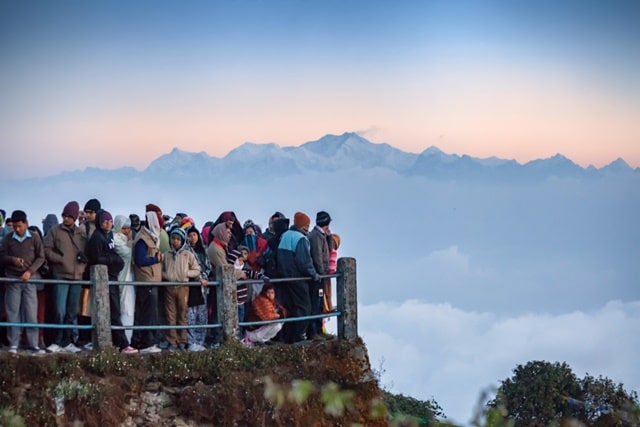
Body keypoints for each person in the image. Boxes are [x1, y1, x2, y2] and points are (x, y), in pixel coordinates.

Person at [86, 210, 138, 354]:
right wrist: (113, 260)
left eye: (110, 221)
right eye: (105, 221)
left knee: (114, 310)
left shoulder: (108, 236)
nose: (109, 224)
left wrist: (115, 260)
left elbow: (113, 255)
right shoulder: (97, 238)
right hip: (104, 278)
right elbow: (96, 258)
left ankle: (120, 343)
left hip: (112, 277)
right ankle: (122, 344)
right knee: (111, 311)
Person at [43, 201, 87, 353]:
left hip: (77, 276)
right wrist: (59, 259)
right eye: (64, 215)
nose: (66, 218)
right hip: (61, 275)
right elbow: (46, 249)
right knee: (59, 310)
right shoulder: (55, 231)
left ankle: (68, 342)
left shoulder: (81, 233)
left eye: (69, 216)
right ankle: (56, 341)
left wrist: (83, 265)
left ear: (74, 217)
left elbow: (87, 251)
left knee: (71, 312)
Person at [0, 210, 46, 354]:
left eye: (19, 226)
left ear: (26, 223)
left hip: (30, 279)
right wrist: (12, 260)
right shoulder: (8, 239)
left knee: (31, 313)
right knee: (13, 312)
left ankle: (33, 344)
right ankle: (14, 343)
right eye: (14, 226)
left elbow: (41, 257)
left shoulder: (34, 237)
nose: (17, 229)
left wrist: (30, 271)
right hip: (13, 279)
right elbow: (1, 255)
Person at [276, 212, 320, 344]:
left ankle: (288, 336)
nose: (308, 228)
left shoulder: (285, 235)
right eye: (307, 225)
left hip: (284, 277)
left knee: (290, 306)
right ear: (303, 226)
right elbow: (304, 262)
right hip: (298, 278)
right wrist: (314, 275)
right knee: (304, 306)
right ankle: (299, 336)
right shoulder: (300, 238)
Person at [162, 227, 201, 351]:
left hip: (183, 287)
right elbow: (161, 270)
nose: (175, 241)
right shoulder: (166, 255)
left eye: (178, 239)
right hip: (169, 287)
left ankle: (183, 340)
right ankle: (172, 340)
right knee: (170, 314)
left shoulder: (187, 254)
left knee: (182, 314)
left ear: (182, 240)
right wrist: (166, 275)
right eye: (173, 238)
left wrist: (186, 274)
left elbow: (197, 270)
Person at [130, 211, 163, 353]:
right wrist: (156, 259)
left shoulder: (152, 237)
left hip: (152, 279)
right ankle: (145, 343)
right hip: (146, 279)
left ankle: (150, 342)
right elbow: (140, 260)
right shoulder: (143, 239)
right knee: (147, 313)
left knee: (151, 313)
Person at [185, 225, 211, 352]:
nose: (192, 238)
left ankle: (200, 341)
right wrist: (198, 278)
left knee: (202, 315)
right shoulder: (186, 251)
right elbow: (187, 268)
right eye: (190, 235)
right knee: (191, 314)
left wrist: (205, 277)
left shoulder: (203, 251)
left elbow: (208, 266)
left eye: (194, 235)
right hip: (192, 286)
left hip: (204, 287)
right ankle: (191, 341)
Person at [307, 211, 333, 340]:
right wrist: (322, 273)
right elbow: (317, 256)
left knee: (319, 303)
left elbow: (330, 248)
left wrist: (329, 237)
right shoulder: (316, 236)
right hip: (318, 277)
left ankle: (319, 329)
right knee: (316, 303)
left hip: (320, 276)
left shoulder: (320, 235)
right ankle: (314, 331)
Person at [113, 215, 135, 342]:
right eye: (124, 228)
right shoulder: (116, 239)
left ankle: (128, 339)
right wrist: (131, 242)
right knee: (125, 308)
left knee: (128, 308)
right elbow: (127, 253)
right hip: (121, 277)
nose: (127, 231)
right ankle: (124, 340)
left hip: (127, 277)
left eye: (128, 228)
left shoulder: (123, 239)